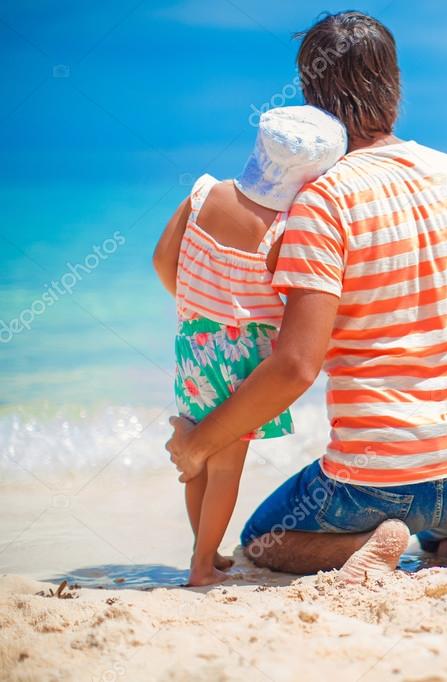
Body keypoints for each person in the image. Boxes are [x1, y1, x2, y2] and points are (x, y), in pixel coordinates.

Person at [166, 10, 447, 583]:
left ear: (310, 99)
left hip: (379, 480)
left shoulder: (323, 201)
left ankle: (370, 542)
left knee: (262, 540)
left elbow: (296, 366)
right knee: (445, 509)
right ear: (395, 84)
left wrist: (200, 442)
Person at [153, 106, 347, 585]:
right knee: (225, 464)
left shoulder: (202, 195)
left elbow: (162, 260)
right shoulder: (284, 230)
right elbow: (290, 301)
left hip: (192, 340)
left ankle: (206, 550)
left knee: (198, 453)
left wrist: (197, 307)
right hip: (245, 354)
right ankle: (202, 567)